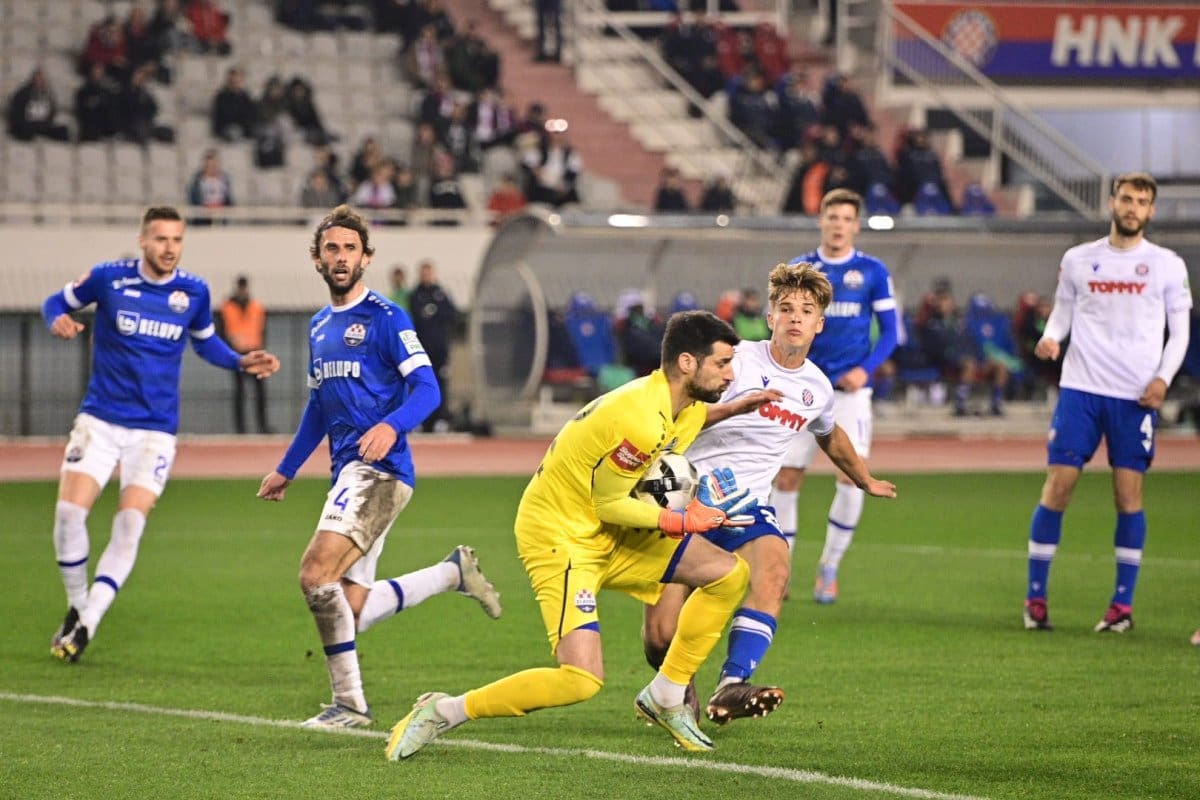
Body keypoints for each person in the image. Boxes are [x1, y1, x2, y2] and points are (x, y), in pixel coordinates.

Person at [386, 310, 780, 760]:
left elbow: (674, 443)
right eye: (723, 363)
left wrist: (732, 411)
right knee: (580, 679)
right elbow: (608, 503)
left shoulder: (682, 407)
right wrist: (685, 520)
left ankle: (667, 696)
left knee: (728, 574)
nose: (731, 374)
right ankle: (444, 710)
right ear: (687, 363)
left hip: (612, 529)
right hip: (560, 534)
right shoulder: (639, 418)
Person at [256, 205, 502, 728]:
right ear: (318, 259)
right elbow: (319, 406)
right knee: (349, 609)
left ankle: (349, 705)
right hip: (348, 473)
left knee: (314, 574)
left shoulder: (387, 319)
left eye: (350, 248)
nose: (341, 257)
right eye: (332, 248)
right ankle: (450, 573)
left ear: (366, 257)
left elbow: (428, 389)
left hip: (380, 472)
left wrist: (391, 425)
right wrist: (287, 468)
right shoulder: (319, 326)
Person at [644, 262, 897, 725]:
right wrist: (734, 408)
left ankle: (732, 684)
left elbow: (830, 434)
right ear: (770, 317)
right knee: (660, 637)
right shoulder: (734, 361)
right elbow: (673, 408)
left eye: (807, 310)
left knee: (776, 569)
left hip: (746, 508)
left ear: (820, 324)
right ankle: (676, 689)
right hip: (683, 500)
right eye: (786, 307)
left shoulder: (816, 387)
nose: (796, 316)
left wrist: (864, 478)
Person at [43, 206, 281, 663]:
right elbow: (56, 302)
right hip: (100, 420)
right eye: (161, 239)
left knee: (130, 522)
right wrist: (57, 319)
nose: (169, 248)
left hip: (154, 430)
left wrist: (239, 360)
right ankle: (76, 605)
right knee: (69, 514)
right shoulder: (108, 279)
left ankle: (88, 621)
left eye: (177, 240)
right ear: (143, 241)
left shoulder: (193, 291)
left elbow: (205, 341)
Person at [1023, 172, 1192, 634]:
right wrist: (1051, 338)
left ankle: (1121, 607)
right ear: (1112, 203)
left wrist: (1163, 378)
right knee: (1057, 487)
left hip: (1134, 397)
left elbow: (1179, 334)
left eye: (1142, 201)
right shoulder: (1079, 259)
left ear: (1151, 210)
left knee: (1127, 496)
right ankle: (1035, 599)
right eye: (1126, 198)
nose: (1133, 207)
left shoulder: (1167, 265)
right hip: (1081, 389)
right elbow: (1062, 312)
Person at [769, 188, 898, 603]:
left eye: (846, 218)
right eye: (832, 217)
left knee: (851, 477)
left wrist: (866, 369)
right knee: (787, 478)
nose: (838, 225)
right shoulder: (802, 271)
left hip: (848, 394)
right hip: (802, 388)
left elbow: (892, 332)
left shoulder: (872, 271)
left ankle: (830, 566)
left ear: (855, 225)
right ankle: (782, 569)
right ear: (821, 221)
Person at [409, 260, 458, 431]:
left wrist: (433, 312)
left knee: (441, 383)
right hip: (422, 349)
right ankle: (420, 419)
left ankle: (440, 418)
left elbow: (451, 314)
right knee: (421, 384)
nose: (427, 276)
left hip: (440, 350)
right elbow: (418, 317)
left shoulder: (441, 293)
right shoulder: (415, 295)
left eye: (429, 273)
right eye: (424, 273)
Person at [219, 275, 271, 434]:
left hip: (255, 353)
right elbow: (222, 331)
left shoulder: (256, 307)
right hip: (238, 355)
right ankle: (240, 428)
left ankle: (262, 426)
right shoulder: (227, 307)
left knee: (260, 392)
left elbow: (262, 330)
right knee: (240, 391)